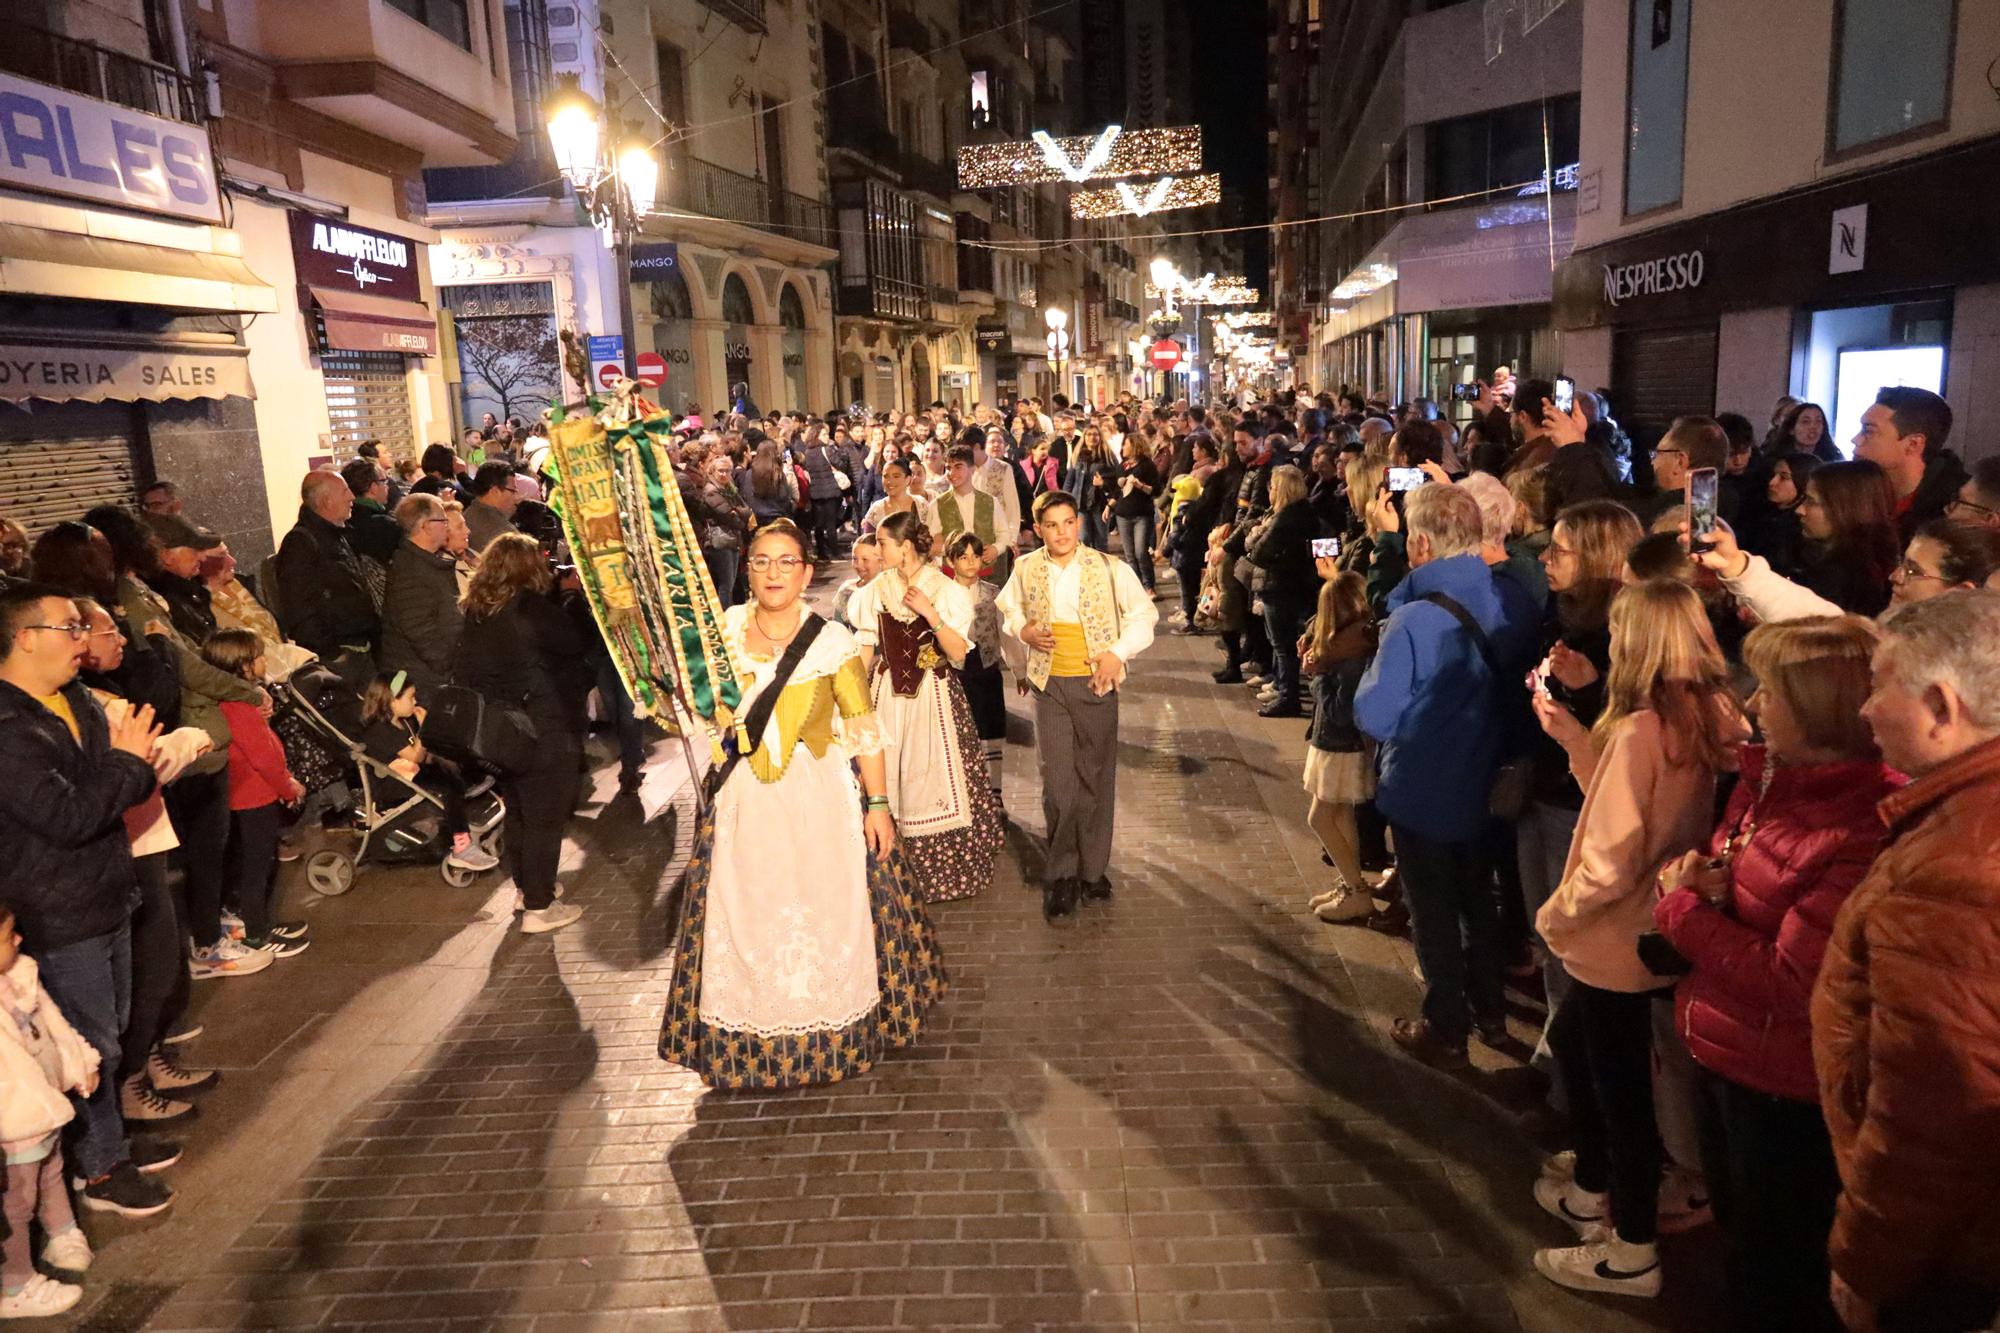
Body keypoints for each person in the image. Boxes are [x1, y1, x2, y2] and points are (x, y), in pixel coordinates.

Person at [1651, 615, 1900, 1332]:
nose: (1754, 703)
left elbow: (1798, 983)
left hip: (1785, 1089)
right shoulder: (1768, 780)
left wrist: (1682, 911)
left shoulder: (1859, 826)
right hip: (1731, 1056)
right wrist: (1719, 883)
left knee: (1777, 1271)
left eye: (1772, 691)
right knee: (1743, 1240)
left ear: (1822, 709)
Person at [657, 520, 946, 1091]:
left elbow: (864, 729)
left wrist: (880, 805)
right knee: (744, 915)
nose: (773, 573)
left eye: (786, 562)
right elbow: (697, 713)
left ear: (807, 573)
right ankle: (747, 1049)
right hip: (745, 805)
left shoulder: (830, 641)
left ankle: (830, 1041)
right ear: (747, 567)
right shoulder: (721, 634)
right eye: (762, 561)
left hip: (818, 803)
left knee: (826, 914)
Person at [1529, 580, 1746, 1299]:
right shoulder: (1712, 716)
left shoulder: (1640, 728)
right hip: (1658, 921)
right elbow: (1636, 809)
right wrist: (1570, 737)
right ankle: (1595, 1189)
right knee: (1615, 1073)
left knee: (1614, 1086)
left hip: (1611, 935)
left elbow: (1611, 853)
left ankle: (1628, 1246)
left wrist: (1555, 916)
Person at [1813, 591, 2000, 1333]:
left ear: (1940, 705)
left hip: (1945, 1251)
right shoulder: (1964, 819)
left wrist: (1868, 1262)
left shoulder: (1958, 867)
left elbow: (1931, 1112)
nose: (1864, 709)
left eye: (1880, 683)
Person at [0, 583, 175, 1219]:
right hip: (55, 909)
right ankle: (99, 1169)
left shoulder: (73, 700)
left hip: (103, 891)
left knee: (111, 1030)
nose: (83, 640)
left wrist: (132, 763)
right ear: (24, 638)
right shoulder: (10, 725)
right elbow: (69, 815)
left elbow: (117, 781)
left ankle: (110, 1142)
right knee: (85, 1042)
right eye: (69, 628)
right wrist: (129, 765)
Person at [1354, 483, 1539, 1065]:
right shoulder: (1508, 600)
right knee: (1479, 906)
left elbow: (1375, 712)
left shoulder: (1412, 618)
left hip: (1424, 789)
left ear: (1421, 543)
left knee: (1433, 914)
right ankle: (1490, 1014)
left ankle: (1446, 1028)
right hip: (1488, 786)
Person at [1518, 500, 1644, 1062]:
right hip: (1542, 788)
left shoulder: (1624, 636)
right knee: (1547, 936)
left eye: (1559, 550)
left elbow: (1633, 737)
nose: (1545, 558)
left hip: (1581, 805)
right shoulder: (1560, 615)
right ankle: (1554, 1064)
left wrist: (1591, 691)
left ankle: (1564, 1081)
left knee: (1573, 943)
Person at [997, 492, 1158, 921]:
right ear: (1039, 529)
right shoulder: (1026, 567)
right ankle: (1063, 872)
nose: (1062, 532)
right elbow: (1008, 609)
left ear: (1079, 524)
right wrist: (1023, 631)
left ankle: (1093, 871)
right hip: (1049, 684)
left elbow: (1145, 617)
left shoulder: (1109, 568)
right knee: (1058, 782)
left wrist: (1117, 652)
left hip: (1096, 684)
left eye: (1069, 522)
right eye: (1052, 525)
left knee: (1095, 777)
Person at [846, 513, 1002, 903]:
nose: (877, 549)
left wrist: (931, 616)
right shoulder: (873, 592)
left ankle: (939, 875)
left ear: (906, 547)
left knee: (932, 778)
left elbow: (958, 654)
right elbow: (866, 649)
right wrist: (854, 704)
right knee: (889, 778)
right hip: (886, 698)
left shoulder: (944, 589)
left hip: (934, 696)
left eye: (883, 543)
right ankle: (890, 874)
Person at [451, 534, 591, 934]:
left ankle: (526, 888)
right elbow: (575, 642)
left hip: (502, 730)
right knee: (546, 817)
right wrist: (571, 600)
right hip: (544, 725)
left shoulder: (477, 612)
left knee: (519, 812)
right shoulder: (531, 609)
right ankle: (540, 906)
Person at [0, 902, 101, 1316]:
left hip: (47, 1108)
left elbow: (56, 1026)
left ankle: (62, 1233)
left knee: (52, 1172)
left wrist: (80, 1062)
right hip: (13, 1124)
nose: (19, 939)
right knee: (15, 1205)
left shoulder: (20, 975)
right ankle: (14, 1284)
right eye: (7, 937)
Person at [201, 630, 312, 958]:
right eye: (260, 656)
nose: (265, 660)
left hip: (250, 794)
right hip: (253, 796)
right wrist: (287, 785)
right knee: (257, 866)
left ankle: (259, 919)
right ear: (244, 666)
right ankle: (256, 933)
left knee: (257, 863)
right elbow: (262, 755)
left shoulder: (240, 701)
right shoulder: (238, 704)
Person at [357, 671, 495, 873]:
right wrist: (425, 727)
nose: (415, 701)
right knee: (447, 785)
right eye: (410, 697)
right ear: (392, 701)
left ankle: (476, 795)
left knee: (454, 765)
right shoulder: (379, 730)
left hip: (412, 773)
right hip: (396, 783)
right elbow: (415, 756)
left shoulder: (403, 722)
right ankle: (462, 846)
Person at [1299, 568, 1376, 922]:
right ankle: (1349, 885)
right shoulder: (1353, 644)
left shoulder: (1349, 656)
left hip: (1338, 746)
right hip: (1337, 745)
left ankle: (1356, 889)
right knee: (1341, 815)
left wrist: (1316, 678)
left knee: (1319, 818)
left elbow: (1340, 711)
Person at [273, 469, 379, 675]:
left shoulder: (337, 534)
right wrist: (332, 654)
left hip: (359, 652)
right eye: (345, 491)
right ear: (326, 501)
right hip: (340, 660)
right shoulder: (301, 544)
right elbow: (300, 610)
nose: (352, 497)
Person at [1244, 465, 1319, 718]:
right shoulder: (1300, 513)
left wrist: (1253, 536)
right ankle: (1282, 689)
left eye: (1273, 486)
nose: (1270, 491)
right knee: (1281, 644)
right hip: (1287, 585)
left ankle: (1288, 697)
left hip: (1281, 586)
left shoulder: (1286, 518)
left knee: (1282, 645)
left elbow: (1259, 553)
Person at [946, 531, 1014, 809]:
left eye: (975, 556)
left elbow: (1005, 633)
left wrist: (1019, 671)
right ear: (951, 562)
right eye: (963, 557)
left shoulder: (992, 593)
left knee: (991, 729)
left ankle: (994, 794)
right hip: (956, 671)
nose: (971, 563)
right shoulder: (942, 595)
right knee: (960, 731)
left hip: (986, 669)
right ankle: (966, 794)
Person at [1851, 386, 1968, 543]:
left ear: (1913, 444)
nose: (1856, 439)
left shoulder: (1958, 514)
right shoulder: (1859, 492)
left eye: (1869, 431)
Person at [380, 494, 463, 703]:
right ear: (426, 526)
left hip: (433, 676)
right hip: (423, 683)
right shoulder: (410, 570)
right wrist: (447, 666)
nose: (448, 527)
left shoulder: (427, 562)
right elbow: (419, 629)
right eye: (443, 521)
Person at [1792, 460, 1900, 616]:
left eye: (1811, 501)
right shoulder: (1878, 564)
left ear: (1846, 508)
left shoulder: (1837, 577)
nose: (1800, 510)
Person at [1742, 450, 1820, 577]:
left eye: (1784, 477)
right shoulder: (1759, 512)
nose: (1772, 482)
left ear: (1804, 481)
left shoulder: (1802, 527)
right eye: (1774, 475)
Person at [931, 446, 1005, 576]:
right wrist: (952, 550)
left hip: (987, 574)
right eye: (948, 468)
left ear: (972, 469)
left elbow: (1004, 533)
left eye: (958, 467)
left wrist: (996, 548)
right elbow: (932, 545)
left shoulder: (990, 501)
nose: (951, 472)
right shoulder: (937, 504)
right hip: (952, 577)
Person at [1111, 433, 1163, 594]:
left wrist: (1140, 485)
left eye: (1125, 444)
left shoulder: (1147, 465)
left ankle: (1149, 586)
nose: (1123, 448)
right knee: (1130, 554)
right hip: (1123, 513)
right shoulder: (1122, 466)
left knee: (1141, 552)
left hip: (1141, 514)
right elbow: (1116, 491)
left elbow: (1156, 490)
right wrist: (1109, 507)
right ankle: (1137, 587)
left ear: (1134, 446)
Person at [1063, 425, 1116, 553]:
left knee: (1101, 542)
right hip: (1080, 504)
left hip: (1100, 505)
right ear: (1084, 437)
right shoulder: (1078, 455)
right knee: (1083, 539)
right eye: (1089, 434)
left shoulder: (1107, 456)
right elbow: (1069, 481)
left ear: (1100, 437)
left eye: (1095, 434)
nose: (1092, 437)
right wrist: (1064, 502)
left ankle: (1102, 570)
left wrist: (1103, 483)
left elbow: (1116, 482)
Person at [340, 458, 402, 564]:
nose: (388, 486)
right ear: (373, 487)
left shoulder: (342, 520)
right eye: (384, 481)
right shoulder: (384, 525)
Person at [464, 461, 522, 555]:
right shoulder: (504, 533)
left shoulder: (467, 515)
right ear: (495, 491)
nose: (516, 496)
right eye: (513, 490)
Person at [1773, 401, 1840, 464]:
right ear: (1791, 429)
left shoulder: (1833, 459)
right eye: (1805, 422)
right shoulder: (1776, 461)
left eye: (1818, 421)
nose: (1813, 426)